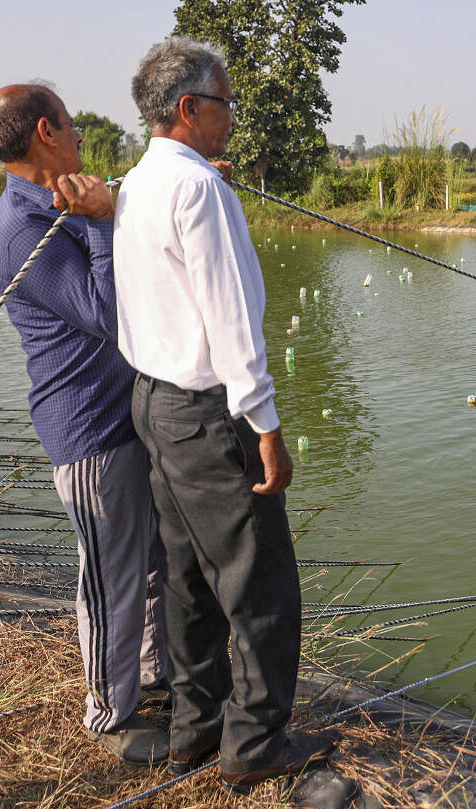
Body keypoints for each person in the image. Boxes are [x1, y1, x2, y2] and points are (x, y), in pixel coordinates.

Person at [114, 37, 334, 795]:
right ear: (189, 109)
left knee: (186, 578)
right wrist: (266, 428)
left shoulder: (141, 181)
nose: (232, 118)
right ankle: (257, 741)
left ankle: (193, 730)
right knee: (260, 581)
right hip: (206, 411)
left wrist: (209, 184)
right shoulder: (200, 191)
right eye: (225, 105)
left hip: (153, 402)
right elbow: (232, 322)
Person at [0, 85, 168, 765]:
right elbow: (107, 311)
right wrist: (96, 221)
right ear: (46, 132)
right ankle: (108, 715)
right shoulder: (21, 228)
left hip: (126, 416)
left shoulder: (55, 199)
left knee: (148, 566)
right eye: (72, 124)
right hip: (87, 428)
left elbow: (122, 195)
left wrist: (176, 189)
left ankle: (149, 677)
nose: (84, 137)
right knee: (108, 577)